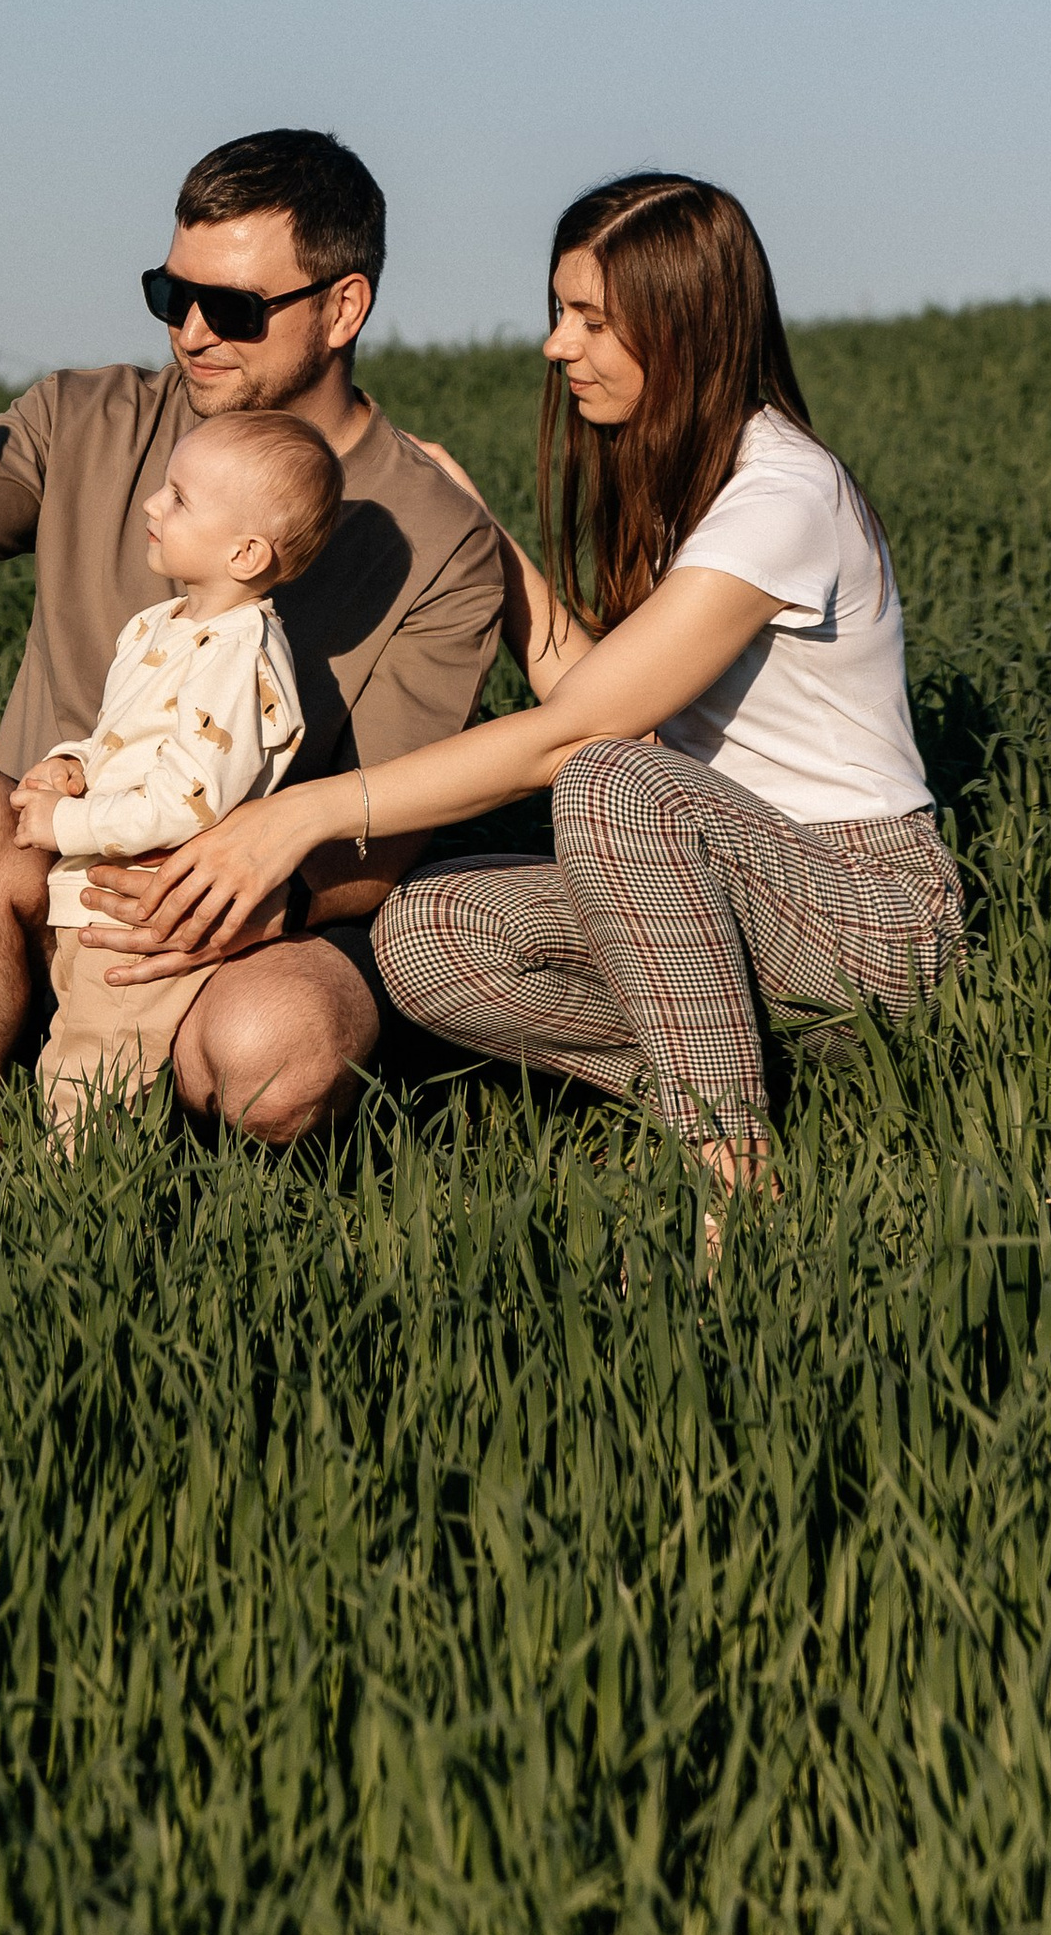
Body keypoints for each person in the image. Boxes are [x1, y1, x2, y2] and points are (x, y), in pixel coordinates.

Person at [114, 172, 965, 1214]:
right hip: (712, 880)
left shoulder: (779, 495)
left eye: (592, 320)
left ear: (685, 327)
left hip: (865, 911)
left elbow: (586, 735)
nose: (558, 345)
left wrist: (302, 816)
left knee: (607, 781)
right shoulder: (682, 485)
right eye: (559, 311)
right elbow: (619, 701)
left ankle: (736, 1186)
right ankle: (738, 1070)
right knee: (425, 934)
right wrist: (492, 544)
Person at [0, 125, 505, 1143]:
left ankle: (193, 1201)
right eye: (173, 295)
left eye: (236, 309)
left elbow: (387, 834)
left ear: (343, 308)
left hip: (244, 924)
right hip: (48, 863)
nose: (194, 331)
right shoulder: (85, 418)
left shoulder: (435, 539)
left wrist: (257, 906)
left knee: (283, 1036)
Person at [11, 409, 338, 1141]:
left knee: (95, 1071)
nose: (155, 505)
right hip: (99, 894)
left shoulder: (238, 653)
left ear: (247, 552)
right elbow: (128, 740)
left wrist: (64, 824)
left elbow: (188, 799)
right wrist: (76, 764)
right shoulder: (160, 625)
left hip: (148, 905)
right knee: (77, 1045)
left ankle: (78, 1206)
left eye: (181, 497)